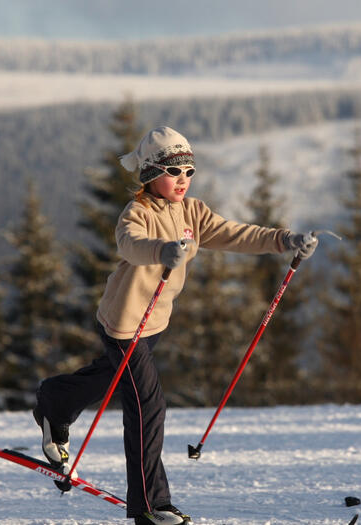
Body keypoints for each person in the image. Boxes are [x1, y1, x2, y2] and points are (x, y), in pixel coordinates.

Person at [33, 126, 318, 524]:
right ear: (150, 174)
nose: (183, 179)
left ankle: (55, 402)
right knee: (148, 406)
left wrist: (284, 240)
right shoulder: (139, 213)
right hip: (125, 325)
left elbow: (234, 233)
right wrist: (162, 250)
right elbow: (129, 244)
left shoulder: (192, 212)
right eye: (173, 171)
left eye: (189, 171)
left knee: (109, 379)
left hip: (154, 323)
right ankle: (150, 506)